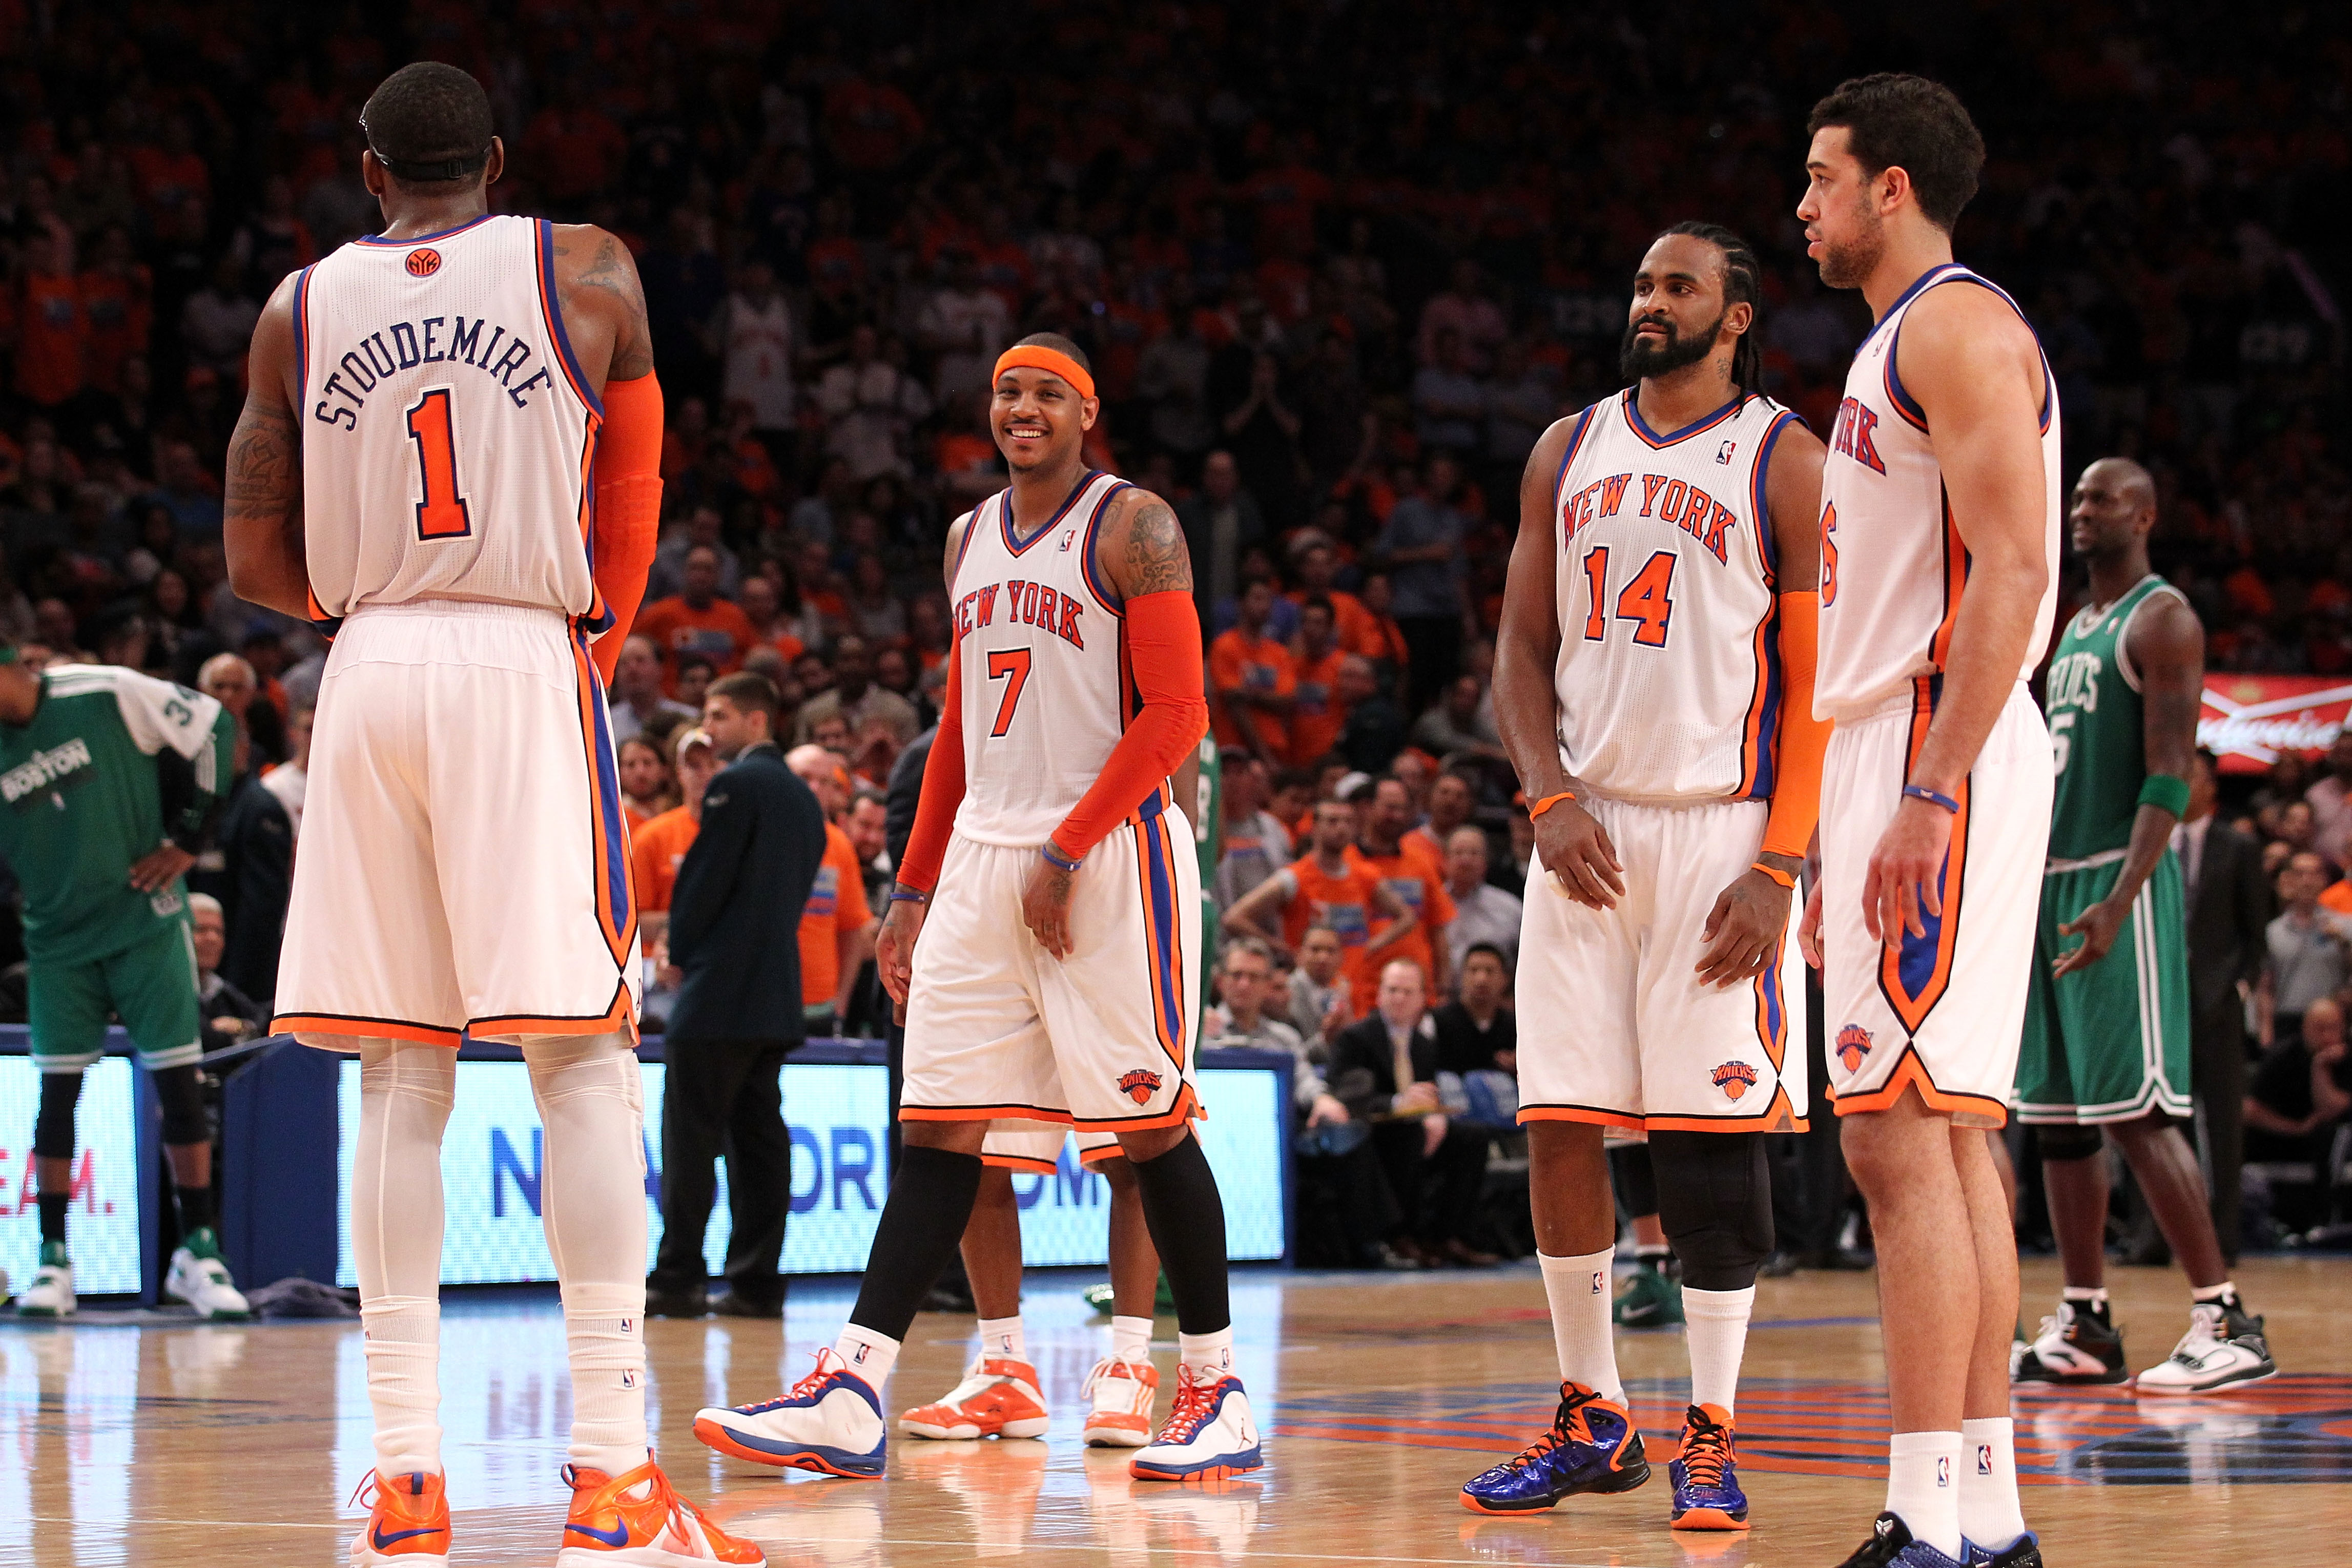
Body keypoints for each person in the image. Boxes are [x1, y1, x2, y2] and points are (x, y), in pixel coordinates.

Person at [221, 62, 755, 1565]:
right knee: (582, 1061)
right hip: (527, 648)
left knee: (399, 1078)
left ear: (371, 170)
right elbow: (635, 492)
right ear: (500, 165)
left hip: (372, 663)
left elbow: (255, 559)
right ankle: (609, 1473)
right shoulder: (585, 268)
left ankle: (405, 1476)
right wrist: (588, 633)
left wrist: (370, 599)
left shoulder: (295, 307)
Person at [693, 332, 1262, 1483]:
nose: (1024, 408)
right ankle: (854, 1386)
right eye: (1008, 391)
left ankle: (1215, 1389)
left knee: (1148, 1130)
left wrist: (1068, 843)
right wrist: (911, 888)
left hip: (1109, 857)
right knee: (939, 1128)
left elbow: (1179, 715)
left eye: (1049, 392)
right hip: (983, 860)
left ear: (1087, 413)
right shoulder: (966, 538)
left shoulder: (1134, 525)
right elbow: (958, 732)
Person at [1468, 219, 1828, 1535]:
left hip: (1722, 835)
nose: (1649, 301)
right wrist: (1544, 795)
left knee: (1706, 1147)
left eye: (1678, 285)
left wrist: (1781, 864)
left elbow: (1823, 696)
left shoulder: (1785, 461)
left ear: (1735, 316)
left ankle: (1710, 1433)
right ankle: (1592, 1413)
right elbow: (1515, 648)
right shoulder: (1563, 448)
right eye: (1640, 282)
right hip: (1585, 833)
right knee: (1559, 1121)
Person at [1794, 76, 2056, 1567]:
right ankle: (1982, 1516)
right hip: (1901, 740)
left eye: (1820, 181)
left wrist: (1930, 790)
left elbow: (2014, 568)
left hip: (1931, 737)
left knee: (1899, 1138)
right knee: (1946, 1138)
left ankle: (1924, 1517)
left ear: (1891, 187)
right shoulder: (1914, 340)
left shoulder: (1954, 325)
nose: (1804, 208)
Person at [2012, 458, 2274, 1395]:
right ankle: (2085, 1320)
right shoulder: (2073, 626)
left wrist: (2122, 899)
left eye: (2104, 498)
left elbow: (2167, 776)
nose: (2084, 511)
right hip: (2049, 885)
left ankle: (2224, 1316)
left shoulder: (2163, 618)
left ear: (2148, 514)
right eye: (2077, 498)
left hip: (2121, 885)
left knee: (2135, 1109)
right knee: (2058, 1122)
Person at [0, 651, 246, 1322]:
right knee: (57, 1098)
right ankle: (52, 1258)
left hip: (144, 922)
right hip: (58, 944)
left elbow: (216, 728)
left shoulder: (104, 690)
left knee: (178, 1085)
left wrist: (190, 839)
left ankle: (199, 1251)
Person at [652, 674, 826, 1320]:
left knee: (692, 1140)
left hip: (719, 994)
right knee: (759, 1143)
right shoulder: (808, 802)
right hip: (776, 993)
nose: (709, 726)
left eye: (719, 715)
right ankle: (756, 1281)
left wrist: (682, 951)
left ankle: (679, 1277)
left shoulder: (736, 786)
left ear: (758, 721)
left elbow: (703, 885)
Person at [1328, 959, 1497, 1267]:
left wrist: (1434, 1114)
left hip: (1413, 1126)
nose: (1399, 998)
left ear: (1423, 999)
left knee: (1472, 1136)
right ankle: (1398, 1236)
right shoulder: (1356, 1038)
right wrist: (1396, 1104)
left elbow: (1426, 1093)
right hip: (1372, 1134)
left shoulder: (1424, 1044)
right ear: (1379, 995)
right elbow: (1348, 1095)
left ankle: (1449, 1236)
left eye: (1408, 992)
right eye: (1392, 990)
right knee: (1409, 1135)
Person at [2178, 748, 2272, 1261]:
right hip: (2162, 1004)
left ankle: (2226, 1240)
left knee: (2224, 1127)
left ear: (2212, 786)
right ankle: (2156, 1238)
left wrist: (2238, 987)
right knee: (2159, 1124)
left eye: (2191, 774)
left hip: (2220, 1005)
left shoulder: (2238, 846)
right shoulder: (2152, 845)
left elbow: (2256, 935)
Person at [1224, 798, 1416, 1020]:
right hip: (1305, 996)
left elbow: (1407, 916)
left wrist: (1372, 946)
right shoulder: (1295, 877)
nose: (1341, 828)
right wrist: (1282, 948)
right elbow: (1234, 918)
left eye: (1347, 822)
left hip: (1353, 989)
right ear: (1314, 827)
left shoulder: (1365, 875)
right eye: (1332, 821)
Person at [184, 723, 294, 1005]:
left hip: (239, 967)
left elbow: (261, 909)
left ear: (243, 751)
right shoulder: (200, 799)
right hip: (203, 958)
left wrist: (233, 987)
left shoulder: (260, 807)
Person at [787, 744, 877, 1034]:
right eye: (804, 778)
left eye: (825, 781)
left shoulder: (839, 845)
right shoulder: (754, 836)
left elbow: (852, 930)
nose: (814, 788)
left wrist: (840, 1003)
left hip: (820, 1006)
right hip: (761, 1003)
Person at [2242, 994, 2352, 1229]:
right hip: (2282, 1137)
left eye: (2332, 1029)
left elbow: (2332, 1109)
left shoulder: (2347, 1060)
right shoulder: (2282, 1057)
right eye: (2319, 1029)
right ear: (2305, 1029)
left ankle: (2325, 1221)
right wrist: (2294, 1128)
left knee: (2329, 1134)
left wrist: (2319, 1068)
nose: (2326, 1037)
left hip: (2330, 1145)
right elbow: (2249, 1110)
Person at [1355, 774, 1455, 1003]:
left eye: (1403, 809)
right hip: (1363, 993)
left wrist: (1443, 989)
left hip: (1418, 994)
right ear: (1367, 808)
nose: (1398, 816)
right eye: (1390, 808)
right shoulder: (1346, 863)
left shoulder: (1421, 862)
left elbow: (1438, 930)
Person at [634, 544, 756, 690]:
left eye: (708, 570)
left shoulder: (735, 616)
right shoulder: (660, 614)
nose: (701, 576)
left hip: (723, 702)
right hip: (673, 706)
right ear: (684, 572)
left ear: (719, 575)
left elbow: (754, 655)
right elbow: (629, 647)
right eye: (695, 568)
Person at [2264, 851, 2349, 1046]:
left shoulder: (2345, 927)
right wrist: (2265, 1032)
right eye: (2300, 874)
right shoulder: (2273, 932)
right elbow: (2266, 988)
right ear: (2288, 880)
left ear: (2324, 880)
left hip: (2331, 1023)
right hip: (2287, 1021)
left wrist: (2344, 943)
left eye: (2314, 874)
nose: (2307, 881)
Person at [1208, 576, 1295, 767]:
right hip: (1234, 751)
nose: (1263, 606)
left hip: (1277, 749)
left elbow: (1287, 700)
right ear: (1241, 603)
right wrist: (1264, 699)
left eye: (1267, 600)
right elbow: (1233, 699)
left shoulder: (1279, 653)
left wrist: (1247, 694)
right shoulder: (1225, 646)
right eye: (1257, 598)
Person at [794, 632, 919, 748]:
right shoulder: (811, 712)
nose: (853, 667)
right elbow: (800, 759)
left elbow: (913, 762)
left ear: (871, 665)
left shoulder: (900, 710)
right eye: (846, 659)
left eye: (860, 659)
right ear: (834, 665)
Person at [189, 892, 270, 1050]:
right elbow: (208, 1040)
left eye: (218, 932)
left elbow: (261, 1023)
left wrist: (239, 1026)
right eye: (200, 930)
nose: (212, 939)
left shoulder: (221, 989)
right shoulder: (163, 991)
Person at [1442, 826, 1522, 973]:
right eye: (1459, 853)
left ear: (1486, 861)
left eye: (1474, 853)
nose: (1466, 861)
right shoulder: (1430, 903)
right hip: (1438, 992)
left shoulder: (1511, 909)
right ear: (1445, 860)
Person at [608, 634, 698, 744]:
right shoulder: (607, 724)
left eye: (640, 660)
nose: (632, 669)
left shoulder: (689, 720)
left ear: (660, 668)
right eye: (624, 663)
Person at [1287, 923, 1354, 1045]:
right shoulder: (1288, 990)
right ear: (1300, 953)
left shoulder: (1343, 990)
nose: (1323, 958)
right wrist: (1326, 1037)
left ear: (1342, 957)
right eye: (1315, 949)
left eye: (1331, 951)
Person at [261, 699, 311, 841]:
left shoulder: (345, 783)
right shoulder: (274, 785)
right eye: (309, 729)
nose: (315, 736)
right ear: (293, 733)